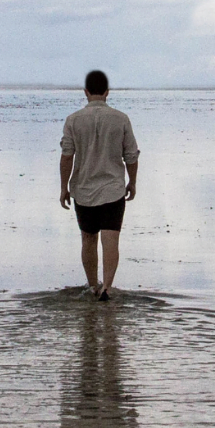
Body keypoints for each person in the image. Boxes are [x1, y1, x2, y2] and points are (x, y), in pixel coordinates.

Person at [59, 70, 139, 301]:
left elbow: (67, 157)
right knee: (111, 239)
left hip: (83, 190)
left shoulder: (73, 120)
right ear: (107, 92)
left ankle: (93, 285)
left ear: (85, 92)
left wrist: (64, 188)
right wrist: (132, 183)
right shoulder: (121, 119)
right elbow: (131, 156)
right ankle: (108, 288)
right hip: (113, 189)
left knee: (88, 238)